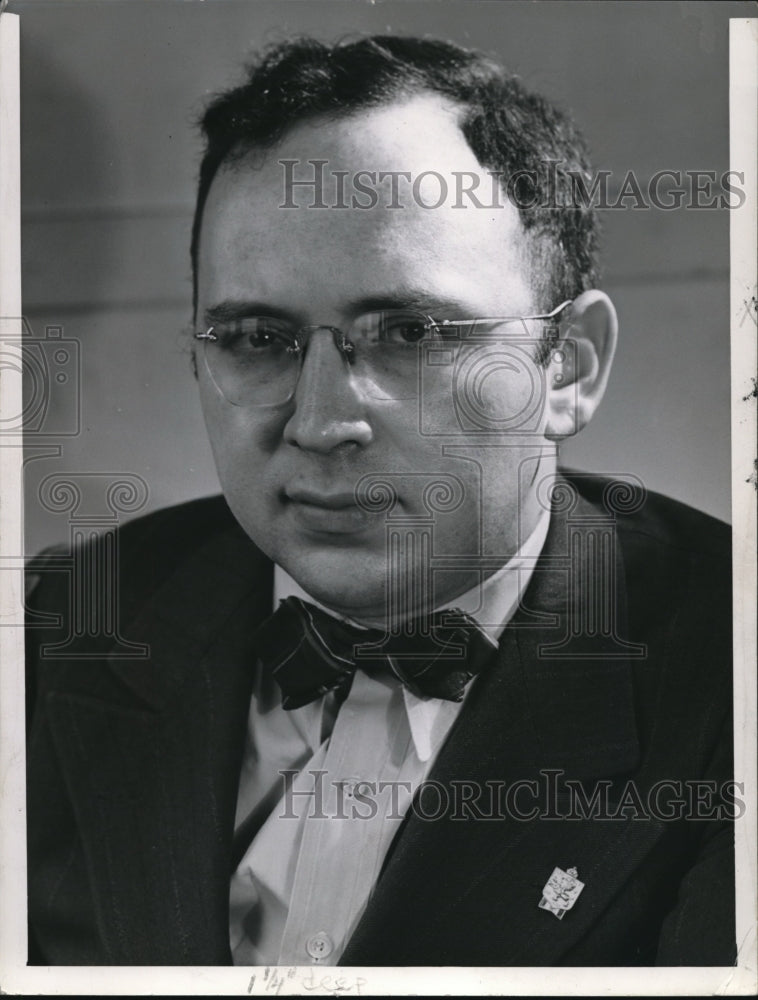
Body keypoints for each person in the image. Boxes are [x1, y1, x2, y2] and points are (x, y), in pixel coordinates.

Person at [25, 35, 735, 967]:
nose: (321, 423)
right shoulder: (61, 626)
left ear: (568, 366)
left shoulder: (732, 677)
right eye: (256, 336)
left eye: (407, 331)